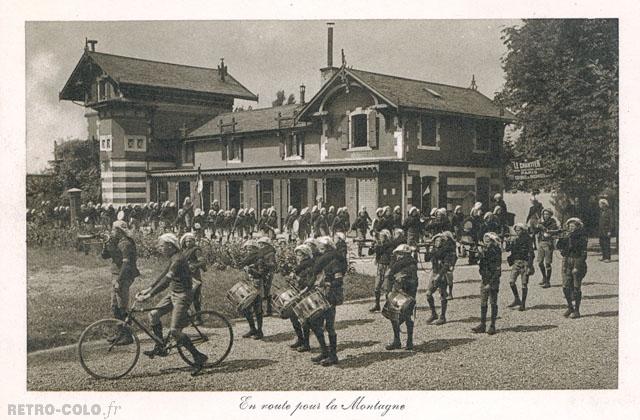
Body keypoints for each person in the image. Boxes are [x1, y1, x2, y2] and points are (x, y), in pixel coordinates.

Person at [136, 233, 208, 375]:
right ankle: (160, 346)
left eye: (162, 245)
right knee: (153, 315)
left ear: (170, 245)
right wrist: (149, 288)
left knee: (174, 331)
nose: (160, 248)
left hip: (183, 295)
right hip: (173, 293)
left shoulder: (179, 259)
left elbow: (167, 281)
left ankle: (199, 357)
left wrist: (150, 295)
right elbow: (163, 275)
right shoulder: (173, 257)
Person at [309, 236, 347, 366]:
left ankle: (333, 355)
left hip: (330, 296)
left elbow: (339, 279)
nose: (319, 249)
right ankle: (324, 351)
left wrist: (329, 283)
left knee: (329, 326)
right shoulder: (322, 260)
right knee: (315, 322)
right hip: (321, 294)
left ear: (327, 248)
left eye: (321, 247)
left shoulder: (334, 261)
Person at [101, 220, 140, 345]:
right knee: (115, 306)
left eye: (113, 229)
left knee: (122, 305)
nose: (112, 231)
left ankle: (127, 335)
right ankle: (120, 333)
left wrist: (119, 281)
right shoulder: (118, 242)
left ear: (119, 230)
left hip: (123, 276)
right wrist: (106, 244)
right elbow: (105, 255)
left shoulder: (125, 243)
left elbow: (126, 263)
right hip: (117, 275)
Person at [384, 244, 418, 350]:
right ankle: (397, 340)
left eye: (399, 254)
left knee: (406, 316)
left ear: (404, 254)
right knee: (394, 315)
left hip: (406, 293)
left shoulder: (410, 265)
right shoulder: (397, 265)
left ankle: (409, 341)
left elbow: (412, 281)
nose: (397, 256)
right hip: (398, 292)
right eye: (397, 254)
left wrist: (401, 281)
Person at [556, 218, 588, 319]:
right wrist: (561, 239)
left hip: (577, 260)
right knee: (565, 286)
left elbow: (583, 253)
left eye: (573, 226)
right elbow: (559, 246)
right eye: (569, 226)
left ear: (578, 226)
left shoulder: (582, 236)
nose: (571, 227)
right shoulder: (566, 235)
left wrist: (577, 267)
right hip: (566, 261)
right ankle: (570, 307)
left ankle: (577, 310)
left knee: (576, 287)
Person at [472, 232, 502, 335]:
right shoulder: (486, 250)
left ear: (493, 242)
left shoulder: (495, 251)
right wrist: (479, 255)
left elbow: (498, 271)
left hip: (492, 280)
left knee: (493, 302)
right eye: (485, 241)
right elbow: (480, 263)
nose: (486, 243)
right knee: (483, 302)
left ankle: (492, 325)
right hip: (484, 279)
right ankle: (483, 324)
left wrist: (490, 283)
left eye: (488, 241)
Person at [288, 244, 316, 352]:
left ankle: (306, 343)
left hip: (306, 294)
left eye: (299, 255)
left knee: (304, 319)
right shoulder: (302, 266)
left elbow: (310, 282)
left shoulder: (309, 266)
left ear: (305, 255)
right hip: (299, 293)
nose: (297, 257)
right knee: (293, 316)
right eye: (297, 255)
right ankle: (300, 339)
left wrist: (298, 279)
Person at [425, 232, 456, 325]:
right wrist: (427, 249)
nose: (437, 242)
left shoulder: (447, 251)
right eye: (436, 240)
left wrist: (439, 275)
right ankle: (434, 313)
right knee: (428, 294)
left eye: (439, 240)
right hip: (434, 273)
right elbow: (427, 258)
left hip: (442, 274)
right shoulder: (434, 250)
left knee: (443, 294)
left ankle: (443, 316)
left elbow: (446, 265)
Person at [238, 240, 267, 339]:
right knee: (245, 308)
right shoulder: (249, 258)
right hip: (250, 284)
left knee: (257, 309)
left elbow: (261, 273)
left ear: (255, 249)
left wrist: (250, 269)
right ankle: (252, 329)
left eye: (250, 248)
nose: (248, 251)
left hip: (257, 285)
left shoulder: (259, 259)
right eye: (247, 248)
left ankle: (259, 331)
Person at [506, 223, 535, 311]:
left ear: (523, 230)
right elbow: (508, 249)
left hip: (525, 262)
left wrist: (530, 266)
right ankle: (517, 299)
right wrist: (508, 242)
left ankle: (523, 303)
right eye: (516, 230)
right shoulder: (515, 239)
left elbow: (531, 253)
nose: (517, 232)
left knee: (524, 284)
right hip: (516, 262)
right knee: (511, 281)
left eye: (519, 230)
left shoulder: (528, 239)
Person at [180, 232, 208, 325]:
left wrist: (194, 266)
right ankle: (187, 318)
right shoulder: (184, 251)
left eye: (190, 241)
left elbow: (202, 261)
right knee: (185, 297)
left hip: (194, 277)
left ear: (194, 241)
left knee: (195, 298)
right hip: (185, 277)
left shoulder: (196, 250)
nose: (188, 243)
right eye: (187, 241)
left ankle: (198, 318)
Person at [534, 208, 560, 288]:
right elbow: (535, 231)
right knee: (540, 262)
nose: (545, 215)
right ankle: (544, 278)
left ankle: (548, 281)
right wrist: (536, 226)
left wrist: (542, 227)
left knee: (547, 263)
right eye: (544, 214)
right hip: (541, 243)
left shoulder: (553, 222)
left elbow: (551, 231)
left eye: (547, 214)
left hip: (549, 243)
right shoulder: (541, 222)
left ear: (550, 215)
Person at [369, 229, 394, 312]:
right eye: (380, 237)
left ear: (386, 237)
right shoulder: (380, 245)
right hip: (380, 266)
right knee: (377, 287)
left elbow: (382, 250)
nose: (380, 238)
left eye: (382, 237)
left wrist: (377, 245)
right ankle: (377, 304)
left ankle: (388, 306)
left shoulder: (390, 245)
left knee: (387, 288)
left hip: (387, 266)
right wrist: (372, 246)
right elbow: (370, 252)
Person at [256, 236, 277, 316]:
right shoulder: (261, 252)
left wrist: (264, 264)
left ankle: (268, 310)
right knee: (262, 291)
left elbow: (272, 264)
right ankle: (263, 310)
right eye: (260, 244)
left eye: (262, 244)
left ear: (266, 245)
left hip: (268, 273)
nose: (260, 246)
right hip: (262, 272)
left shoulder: (270, 253)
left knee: (266, 291)